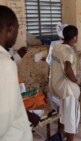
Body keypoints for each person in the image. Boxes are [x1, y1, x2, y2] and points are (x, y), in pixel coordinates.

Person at [0, 5, 32, 141]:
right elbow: (3, 117)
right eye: (17, 29)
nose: (16, 35)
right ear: (10, 29)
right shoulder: (5, 63)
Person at [50, 25, 80, 141]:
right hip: (68, 90)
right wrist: (75, 80)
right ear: (75, 37)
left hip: (58, 87)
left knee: (63, 113)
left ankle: (60, 136)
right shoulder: (69, 51)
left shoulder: (57, 47)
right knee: (72, 119)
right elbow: (68, 69)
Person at [45, 22, 68, 112]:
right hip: (65, 74)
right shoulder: (69, 44)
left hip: (55, 74)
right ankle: (64, 113)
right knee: (64, 95)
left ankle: (58, 113)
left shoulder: (54, 44)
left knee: (54, 94)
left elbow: (49, 61)